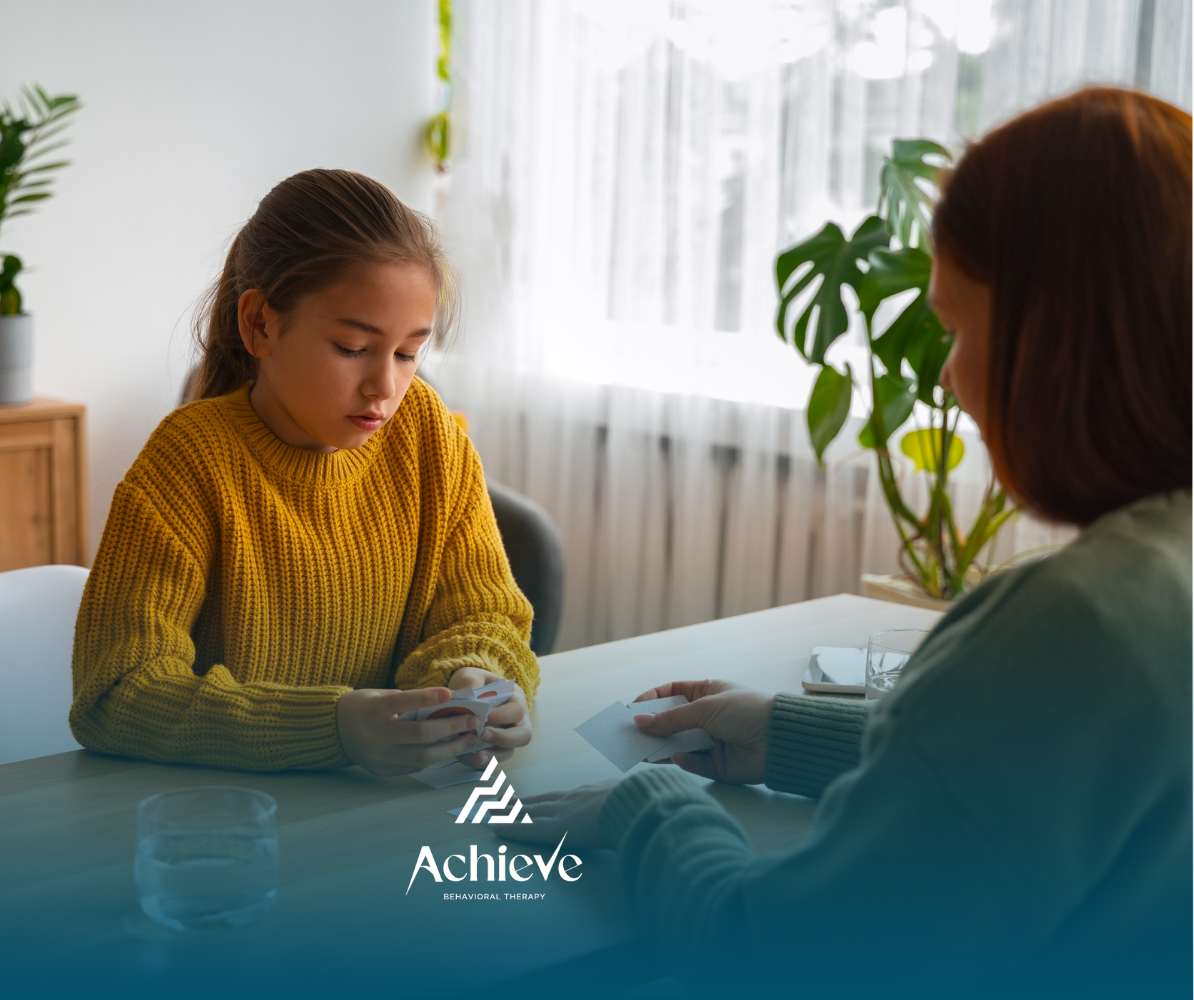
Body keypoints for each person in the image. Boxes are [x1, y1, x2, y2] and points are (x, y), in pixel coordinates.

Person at [501, 88, 1191, 996]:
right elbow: (1065, 773)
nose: (948, 377)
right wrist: (792, 733)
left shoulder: (1080, 621)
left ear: (1056, 337)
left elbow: (773, 958)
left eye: (955, 325)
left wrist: (649, 802)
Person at [70, 169, 538, 776]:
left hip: (383, 818)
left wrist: (473, 674)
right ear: (260, 324)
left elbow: (487, 614)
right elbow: (116, 693)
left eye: (407, 353)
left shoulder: (429, 433)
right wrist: (332, 726)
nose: (386, 387)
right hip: (227, 828)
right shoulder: (186, 461)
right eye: (351, 348)